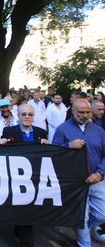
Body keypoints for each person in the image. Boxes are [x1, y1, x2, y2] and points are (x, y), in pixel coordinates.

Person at [52, 99, 105, 247]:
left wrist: (100, 173)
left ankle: (88, 228)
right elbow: (54, 153)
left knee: (102, 214)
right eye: (81, 112)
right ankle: (84, 243)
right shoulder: (62, 129)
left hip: (98, 180)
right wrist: (68, 145)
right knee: (81, 216)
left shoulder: (99, 130)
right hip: (75, 182)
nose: (85, 115)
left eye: (88, 112)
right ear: (73, 111)